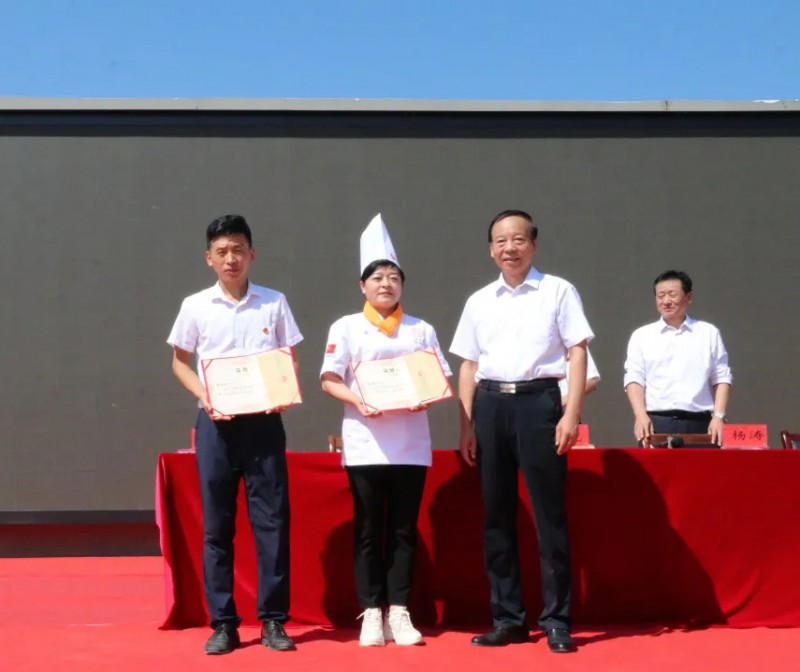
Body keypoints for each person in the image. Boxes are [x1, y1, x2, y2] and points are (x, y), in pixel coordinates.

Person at [450, 209, 594, 654]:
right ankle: (508, 618)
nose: (509, 248)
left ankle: (557, 620)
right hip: (491, 405)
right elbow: (468, 365)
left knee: (549, 517)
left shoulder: (558, 290)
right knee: (496, 516)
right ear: (490, 249)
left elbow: (577, 352)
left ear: (533, 244)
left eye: (517, 239)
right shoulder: (479, 301)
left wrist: (571, 414)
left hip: (540, 403)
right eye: (500, 241)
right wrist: (467, 425)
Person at [167, 214, 302, 655]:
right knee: (217, 527)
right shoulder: (195, 306)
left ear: (252, 254)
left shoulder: (273, 302)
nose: (231, 259)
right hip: (216, 425)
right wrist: (204, 395)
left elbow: (287, 357)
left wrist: (283, 390)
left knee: (272, 523)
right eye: (222, 251)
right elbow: (179, 362)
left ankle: (274, 621)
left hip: (263, 423)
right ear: (209, 258)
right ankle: (223, 622)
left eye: (238, 250)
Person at [320, 214, 452, 647]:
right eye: (377, 278)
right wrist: (360, 401)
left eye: (394, 278)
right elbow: (329, 379)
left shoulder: (421, 329)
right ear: (363, 286)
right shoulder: (346, 327)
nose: (386, 284)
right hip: (366, 442)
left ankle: (399, 611)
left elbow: (439, 379)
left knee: (402, 529)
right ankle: (371, 612)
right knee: (367, 530)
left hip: (410, 444)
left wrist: (425, 396)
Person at [624, 269, 732, 446]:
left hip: (701, 423)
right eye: (661, 296)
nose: (666, 301)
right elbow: (634, 378)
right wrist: (640, 414)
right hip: (656, 423)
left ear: (688, 297)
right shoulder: (642, 336)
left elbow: (721, 377)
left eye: (672, 295)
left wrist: (719, 416)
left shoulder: (708, 333)